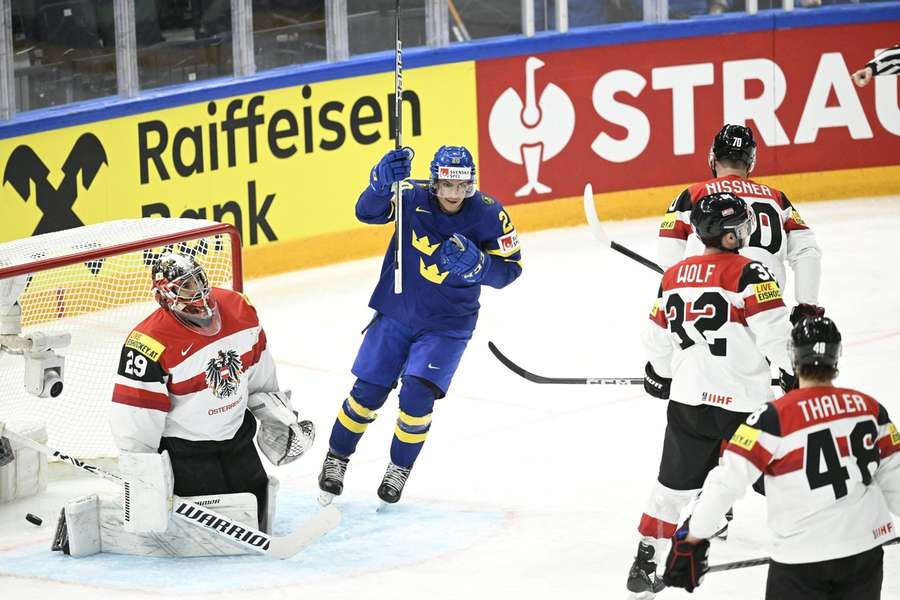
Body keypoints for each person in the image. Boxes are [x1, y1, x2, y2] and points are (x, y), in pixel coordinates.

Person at [52, 252, 315, 557]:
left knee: (256, 515)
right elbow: (135, 417)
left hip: (236, 438)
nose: (198, 292)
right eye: (185, 286)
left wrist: (274, 414)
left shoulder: (239, 309)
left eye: (198, 281)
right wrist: (144, 476)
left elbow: (258, 371)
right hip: (188, 451)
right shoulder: (149, 343)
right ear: (165, 296)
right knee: (200, 536)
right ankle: (87, 525)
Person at [317, 145, 523, 506]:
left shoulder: (490, 214)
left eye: (462, 187)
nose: (454, 195)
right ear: (435, 182)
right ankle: (336, 459)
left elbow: (511, 270)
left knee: (416, 394)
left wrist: (481, 268)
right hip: (397, 312)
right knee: (367, 392)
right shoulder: (410, 196)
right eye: (447, 186)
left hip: (447, 326)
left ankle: (399, 468)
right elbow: (366, 212)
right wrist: (380, 185)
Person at [627, 192, 795, 596]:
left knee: (672, 485)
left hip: (688, 401)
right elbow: (776, 335)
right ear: (731, 235)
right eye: (741, 225)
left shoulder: (672, 276)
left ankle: (645, 557)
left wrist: (660, 375)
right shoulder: (751, 274)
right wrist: (793, 373)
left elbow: (656, 338)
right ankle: (817, 536)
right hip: (744, 404)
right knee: (777, 475)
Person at [664, 316, 900, 599]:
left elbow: (727, 481)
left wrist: (693, 538)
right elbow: (896, 483)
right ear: (836, 356)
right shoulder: (870, 409)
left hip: (800, 558)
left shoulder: (772, 417)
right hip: (864, 553)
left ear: (793, 355)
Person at [657, 124, 823, 325]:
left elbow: (669, 261)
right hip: (765, 312)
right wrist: (807, 306)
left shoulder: (692, 196)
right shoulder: (777, 199)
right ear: (750, 162)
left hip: (708, 314)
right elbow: (807, 252)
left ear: (713, 158)